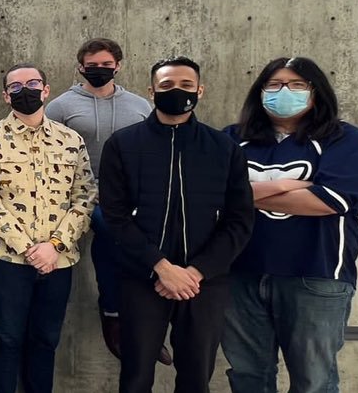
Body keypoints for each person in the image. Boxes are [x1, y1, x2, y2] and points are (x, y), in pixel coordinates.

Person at [98, 56, 255, 393]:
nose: (176, 91)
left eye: (186, 85)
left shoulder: (223, 148)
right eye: (167, 85)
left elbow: (239, 219)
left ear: (200, 90)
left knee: (197, 377)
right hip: (141, 278)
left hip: (204, 283)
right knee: (136, 375)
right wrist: (160, 267)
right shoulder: (123, 145)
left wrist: (196, 272)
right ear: (151, 90)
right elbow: (115, 216)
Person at [222, 57, 358, 393]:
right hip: (240, 275)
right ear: (260, 91)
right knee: (248, 377)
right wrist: (287, 185)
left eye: (296, 85)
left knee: (313, 381)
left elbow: (330, 202)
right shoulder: (232, 139)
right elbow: (213, 197)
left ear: (315, 92)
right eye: (274, 85)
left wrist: (243, 195)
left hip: (315, 277)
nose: (284, 92)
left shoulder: (343, 139)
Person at [0, 65, 96, 393]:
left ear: (46, 90)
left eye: (32, 83)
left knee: (46, 339)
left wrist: (54, 245)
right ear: (5, 95)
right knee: (7, 337)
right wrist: (28, 247)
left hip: (59, 260)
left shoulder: (70, 140)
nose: (24, 90)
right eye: (15, 86)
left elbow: (85, 196)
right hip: (8, 260)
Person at [42, 38, 168, 364]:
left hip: (133, 193)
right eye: (92, 66)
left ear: (119, 66)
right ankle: (113, 311)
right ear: (81, 67)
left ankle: (145, 322)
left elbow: (154, 149)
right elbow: (47, 153)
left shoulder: (140, 105)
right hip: (84, 195)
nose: (99, 71)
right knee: (113, 230)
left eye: (106, 66)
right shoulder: (61, 106)